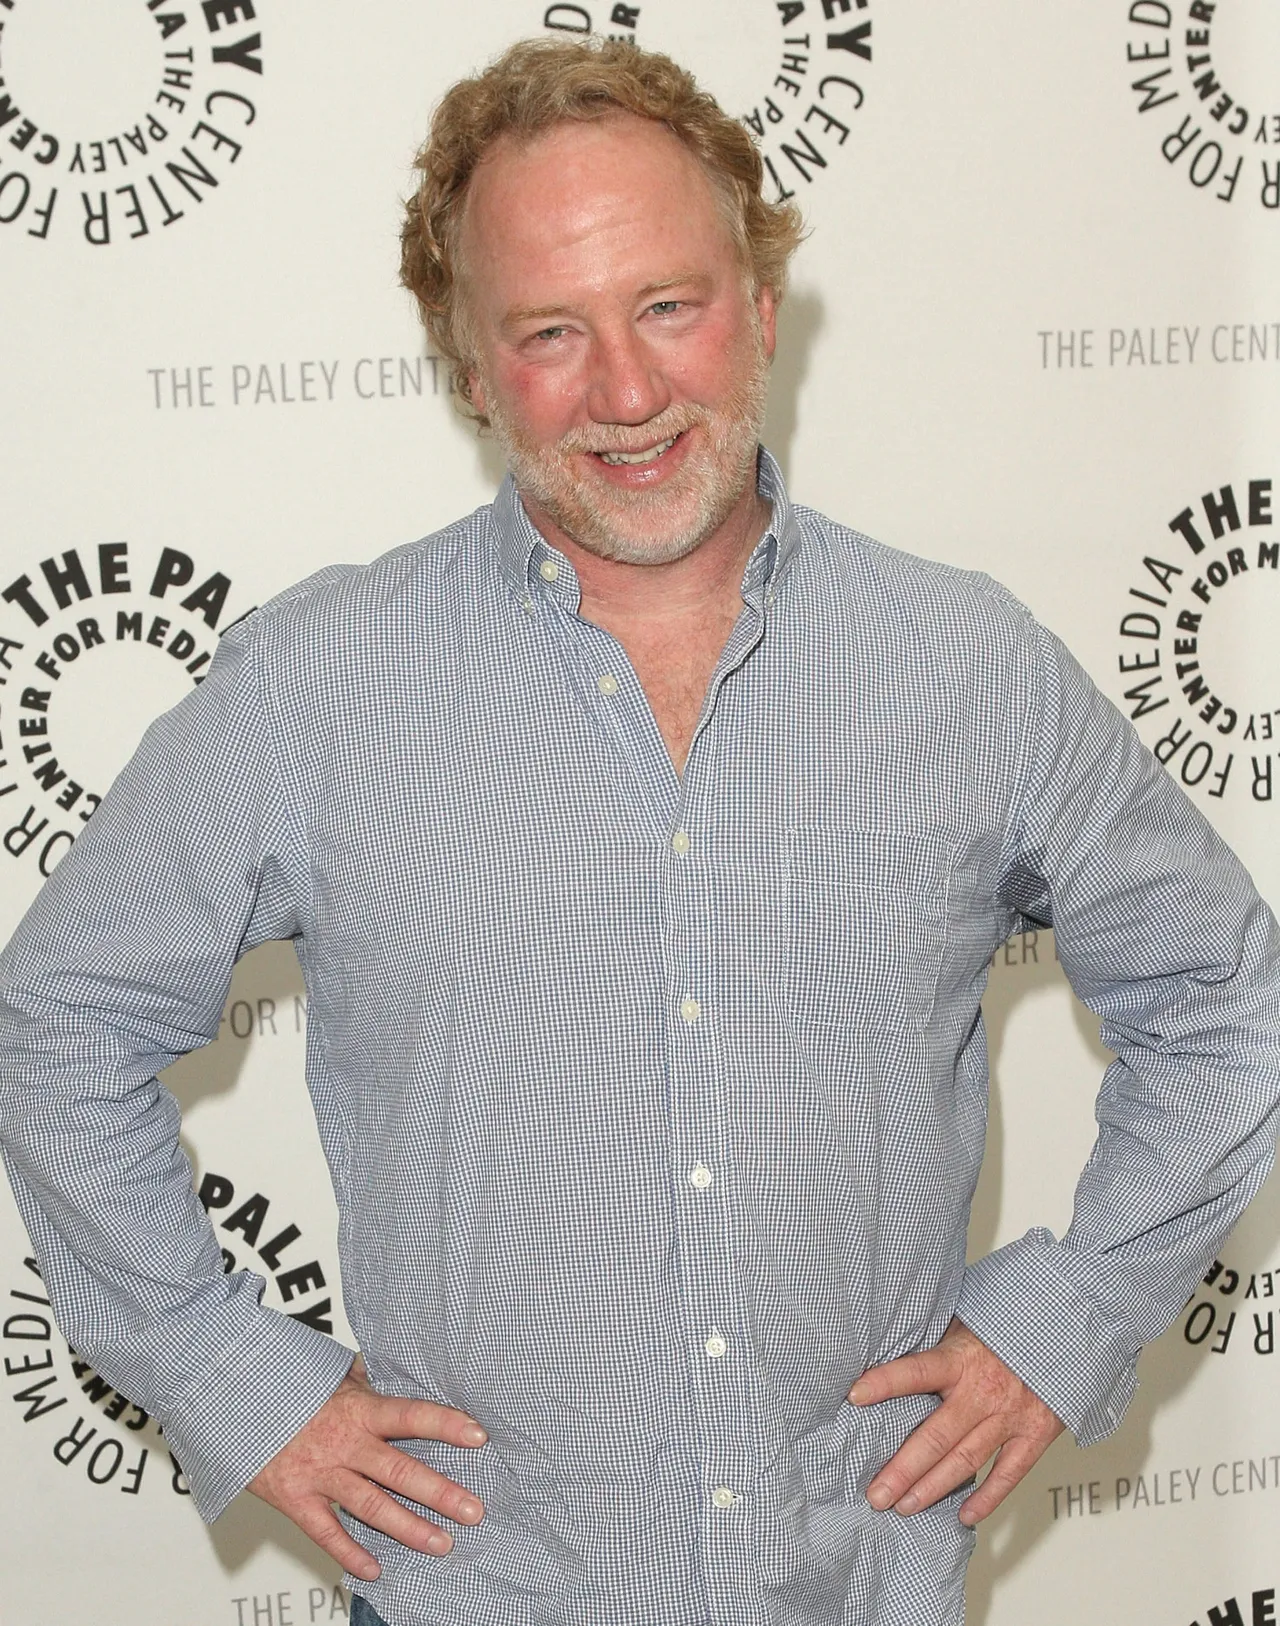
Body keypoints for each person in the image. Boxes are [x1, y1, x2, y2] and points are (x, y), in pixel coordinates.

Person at [1, 35, 1278, 1626]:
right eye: (550, 331)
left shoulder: (968, 666)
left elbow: (1231, 992)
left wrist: (1071, 1307)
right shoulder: (312, 686)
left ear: (756, 304)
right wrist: (228, 1370)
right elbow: (58, 1015)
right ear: (469, 366)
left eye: (668, 306)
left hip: (860, 1587)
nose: (624, 392)